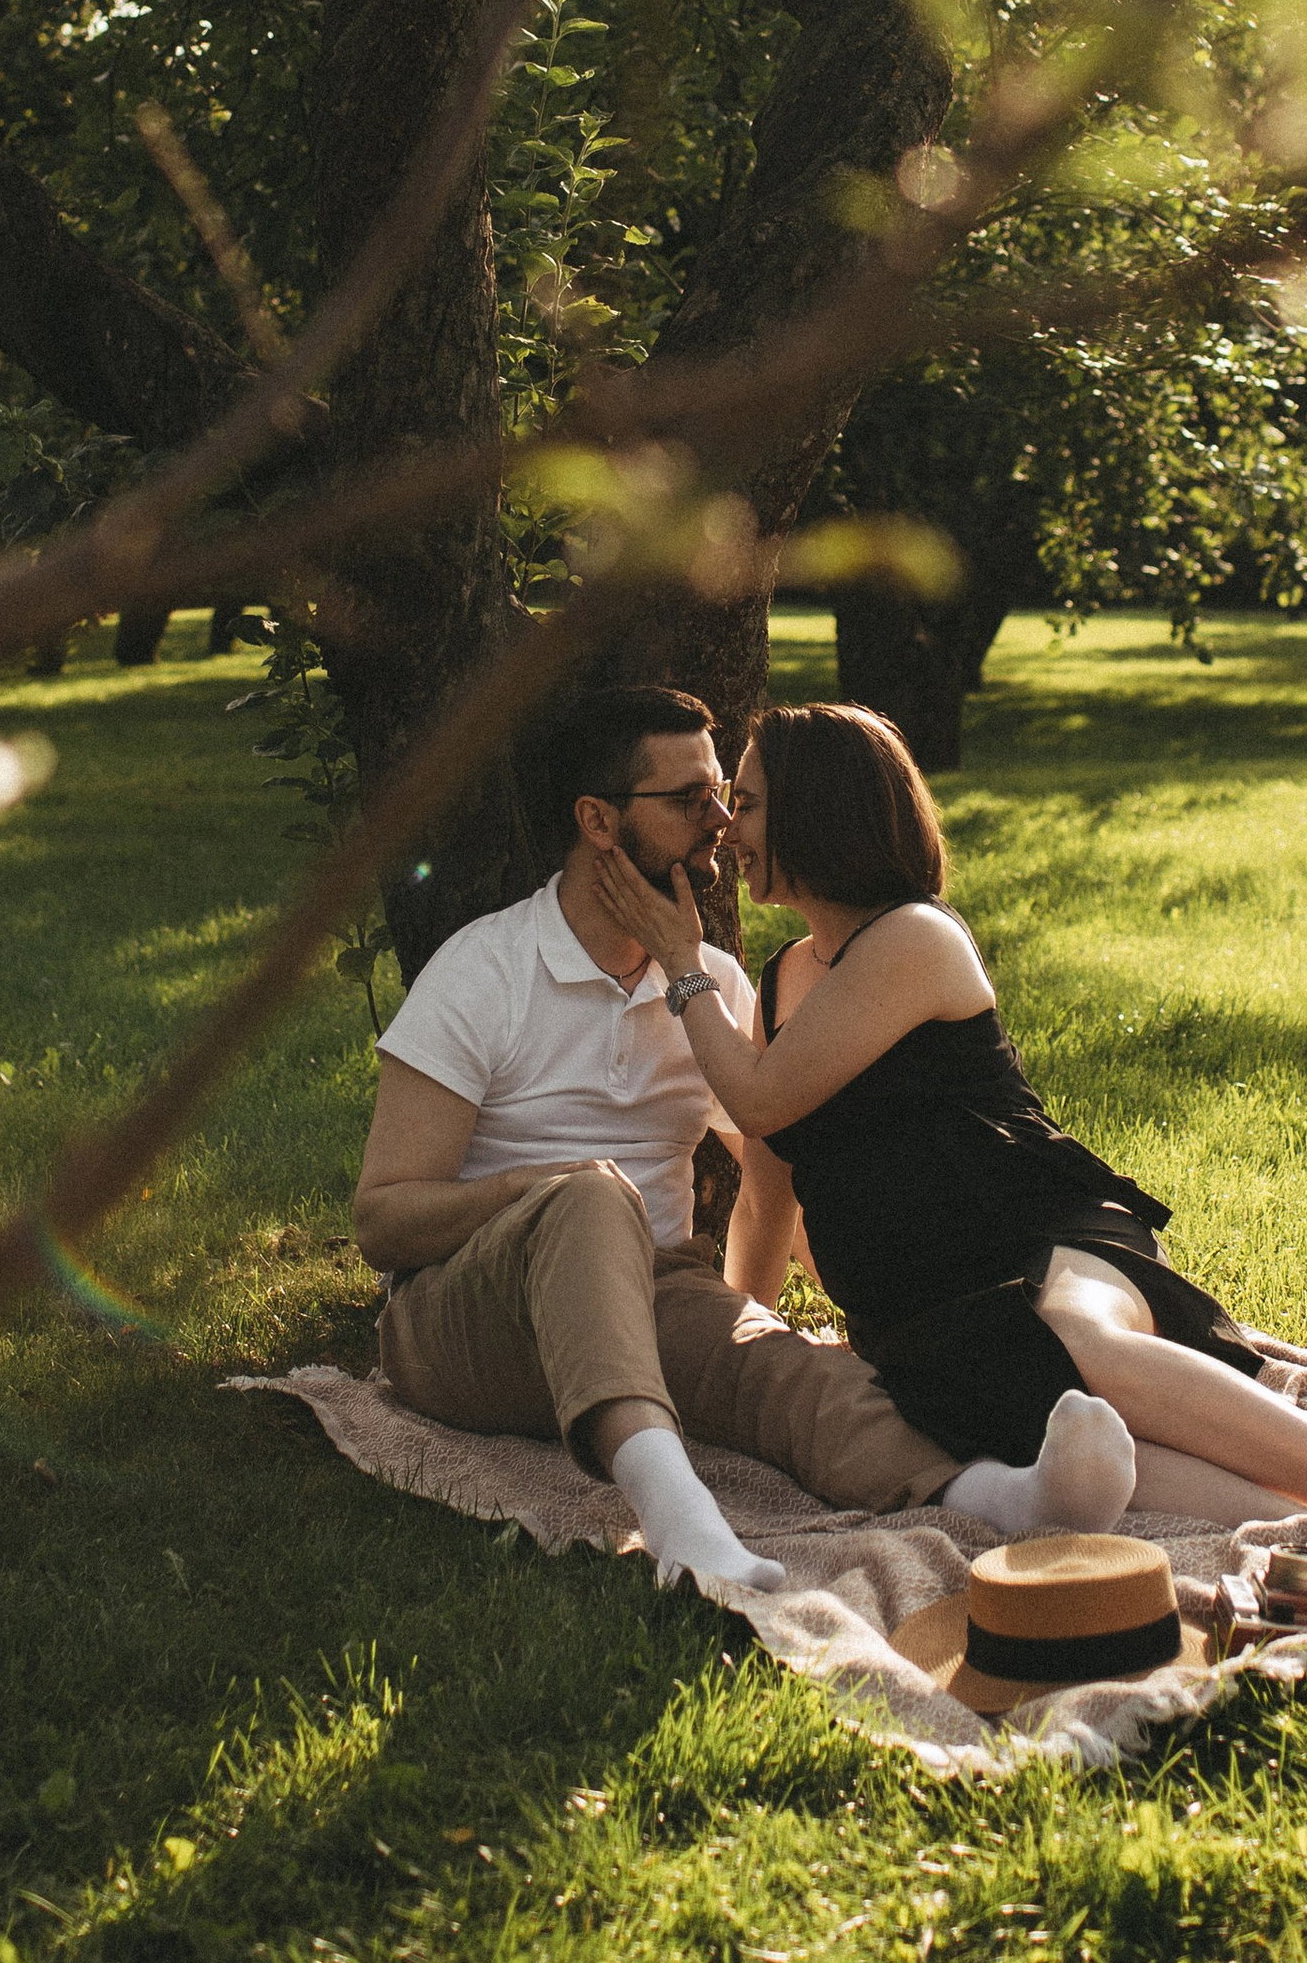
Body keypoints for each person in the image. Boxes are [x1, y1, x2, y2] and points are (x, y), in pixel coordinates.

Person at [591, 697, 1307, 1578]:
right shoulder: (787, 976)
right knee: (1056, 1426)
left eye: (745, 803)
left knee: (1080, 1344)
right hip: (929, 1314)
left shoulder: (912, 941)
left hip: (1043, 1239)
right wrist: (751, 1329)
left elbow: (756, 1101)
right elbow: (767, 1182)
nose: (725, 825)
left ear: (817, 811)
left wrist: (680, 960)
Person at [352, 686, 1140, 1600]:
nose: (721, 822)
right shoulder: (484, 970)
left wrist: (763, 1325)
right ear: (599, 821)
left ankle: (1006, 1497)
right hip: (467, 1315)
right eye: (690, 800)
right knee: (590, 1198)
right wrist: (554, 1186)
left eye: (727, 794)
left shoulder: (713, 989)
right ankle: (682, 1525)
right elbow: (384, 1219)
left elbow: (774, 1182)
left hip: (649, 1290)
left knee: (793, 1372)